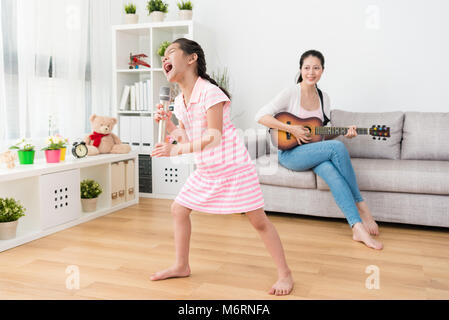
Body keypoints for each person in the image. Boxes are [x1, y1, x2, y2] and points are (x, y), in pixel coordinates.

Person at [150, 38, 294, 295]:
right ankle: (181, 265)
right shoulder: (181, 101)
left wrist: (175, 149)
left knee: (259, 222)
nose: (164, 58)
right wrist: (171, 128)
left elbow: (213, 136)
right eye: (163, 56)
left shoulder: (210, 92)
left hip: (234, 168)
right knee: (178, 210)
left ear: (192, 58)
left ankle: (285, 274)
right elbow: (187, 138)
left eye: (171, 52)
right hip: (207, 171)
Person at [255, 50, 383, 250]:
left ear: (322, 70)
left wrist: (343, 132)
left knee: (332, 171)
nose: (311, 72)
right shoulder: (291, 93)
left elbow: (321, 134)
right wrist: (291, 129)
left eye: (316, 68)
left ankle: (357, 227)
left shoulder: (325, 98)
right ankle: (363, 208)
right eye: (307, 68)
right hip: (290, 154)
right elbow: (261, 116)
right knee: (337, 149)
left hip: (313, 151)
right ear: (300, 69)